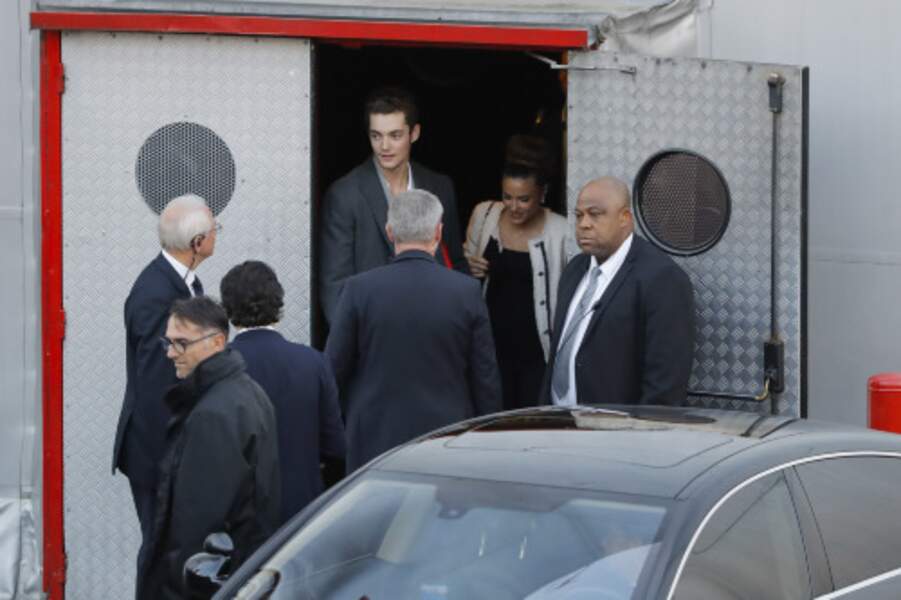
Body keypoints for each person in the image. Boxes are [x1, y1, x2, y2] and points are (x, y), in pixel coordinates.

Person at [326, 189, 502, 471]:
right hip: (446, 439)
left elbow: (333, 370)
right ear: (438, 232)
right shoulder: (466, 291)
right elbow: (485, 378)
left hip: (373, 439)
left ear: (389, 231)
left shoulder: (358, 289)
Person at [138, 297, 280, 600]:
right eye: (168, 341)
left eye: (181, 343)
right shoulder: (245, 392)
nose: (170, 353)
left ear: (217, 342)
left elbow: (197, 525)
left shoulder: (213, 413)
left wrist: (178, 590)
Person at [112, 194, 219, 577]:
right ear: (196, 243)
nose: (215, 235)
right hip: (157, 452)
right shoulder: (156, 294)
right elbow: (161, 381)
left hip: (169, 450)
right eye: (213, 230)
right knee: (162, 556)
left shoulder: (184, 283)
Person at [541, 176, 695, 407]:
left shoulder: (662, 279)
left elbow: (665, 383)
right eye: (579, 215)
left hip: (617, 433)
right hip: (559, 425)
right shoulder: (574, 270)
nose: (584, 224)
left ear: (625, 218)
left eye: (595, 214)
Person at [319, 86, 468, 323]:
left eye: (395, 135)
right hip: (372, 342)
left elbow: (456, 264)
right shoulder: (344, 194)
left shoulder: (439, 186)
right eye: (376, 135)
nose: (384, 146)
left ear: (414, 133)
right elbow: (335, 287)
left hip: (433, 335)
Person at [220, 260, 346, 524]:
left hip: (239, 516)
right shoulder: (313, 362)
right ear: (278, 304)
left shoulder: (218, 366)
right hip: (301, 513)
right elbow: (335, 446)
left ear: (228, 310)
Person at [464, 135, 570, 409]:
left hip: (537, 354)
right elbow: (460, 271)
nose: (513, 207)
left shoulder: (561, 231)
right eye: (507, 197)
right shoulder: (484, 215)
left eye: (523, 199)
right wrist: (467, 268)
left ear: (542, 194)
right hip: (490, 349)